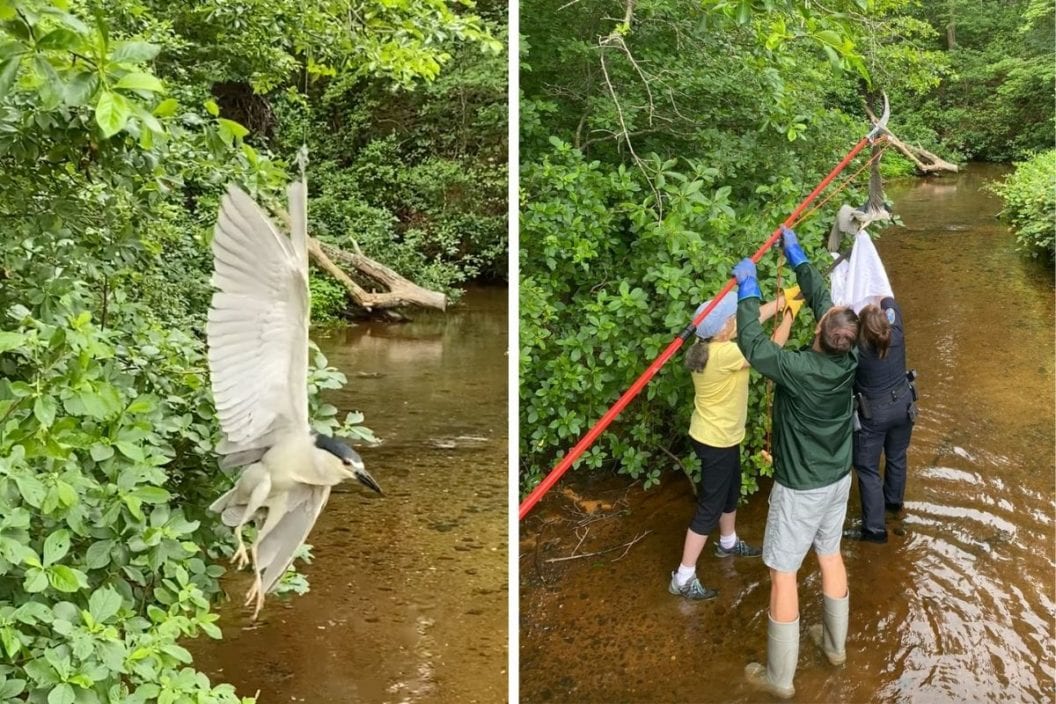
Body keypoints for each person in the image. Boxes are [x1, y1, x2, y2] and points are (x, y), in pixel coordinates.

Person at [731, 226, 859, 700]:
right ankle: (834, 648)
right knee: (829, 555)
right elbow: (825, 300)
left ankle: (780, 680)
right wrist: (798, 257)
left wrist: (750, 290)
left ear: (821, 335)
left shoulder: (799, 368)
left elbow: (754, 345)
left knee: (783, 572)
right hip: (837, 480)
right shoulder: (852, 354)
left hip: (802, 487)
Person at [668, 289, 796, 600]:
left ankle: (728, 542)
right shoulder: (725, 355)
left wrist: (784, 300)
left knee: (731, 489)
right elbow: (771, 349)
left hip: (718, 437)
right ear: (725, 327)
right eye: (732, 318)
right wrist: (790, 314)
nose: (737, 320)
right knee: (710, 506)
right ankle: (683, 576)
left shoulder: (709, 346)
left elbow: (753, 319)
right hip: (716, 441)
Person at [843, 298, 916, 543]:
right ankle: (894, 506)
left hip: (873, 414)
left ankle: (874, 530)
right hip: (903, 406)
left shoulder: (856, 351)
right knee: (896, 456)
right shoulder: (897, 333)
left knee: (867, 469)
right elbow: (891, 302)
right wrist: (879, 301)